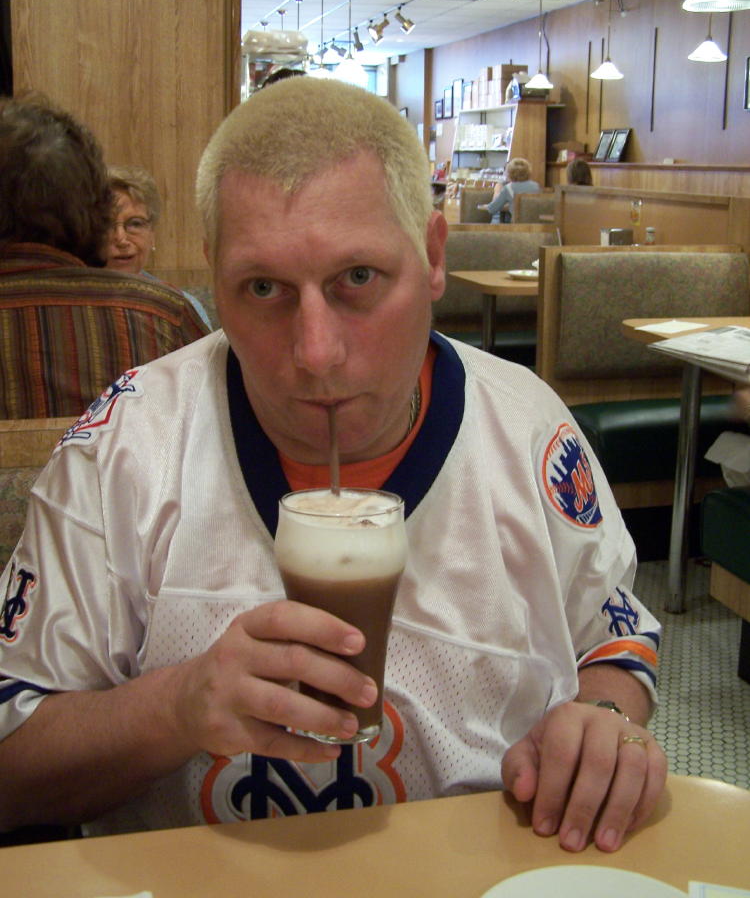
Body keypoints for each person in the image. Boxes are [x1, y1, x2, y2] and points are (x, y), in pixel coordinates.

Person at [0, 78, 667, 850]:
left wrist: (606, 722)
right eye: (263, 288)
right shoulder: (124, 447)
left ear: (433, 257)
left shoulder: (527, 426)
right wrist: (176, 706)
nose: (315, 354)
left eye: (358, 279)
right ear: (213, 275)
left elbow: (614, 638)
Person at [0, 94, 210, 419]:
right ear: (94, 211)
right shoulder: (163, 315)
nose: (122, 239)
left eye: (136, 224)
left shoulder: (169, 310)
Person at [106, 165, 213, 328]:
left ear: (152, 236)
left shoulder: (182, 308)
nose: (121, 239)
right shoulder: (72, 305)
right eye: (107, 225)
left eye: (135, 224)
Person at [479, 157, 540, 223]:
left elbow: (493, 209)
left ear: (510, 173)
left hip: (514, 226)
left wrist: (483, 206)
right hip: (534, 225)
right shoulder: (536, 186)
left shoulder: (509, 188)